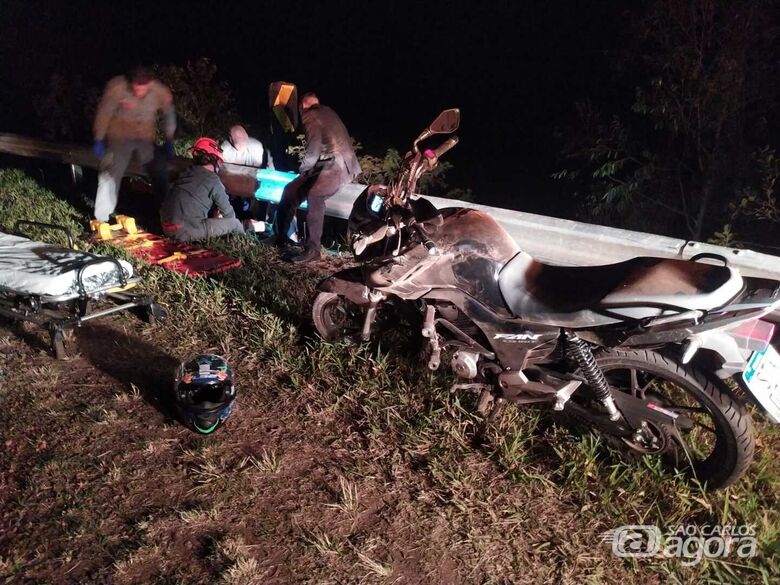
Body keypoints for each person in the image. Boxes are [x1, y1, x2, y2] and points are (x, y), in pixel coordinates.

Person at [274, 92, 361, 263]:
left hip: (337, 165)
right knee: (291, 190)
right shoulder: (327, 111)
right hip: (326, 164)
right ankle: (281, 238)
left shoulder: (311, 115)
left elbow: (313, 148)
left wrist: (303, 169)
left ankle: (313, 249)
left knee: (315, 194)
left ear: (302, 106)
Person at [92, 66, 176, 222]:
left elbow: (169, 114)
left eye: (143, 88)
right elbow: (104, 112)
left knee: (160, 170)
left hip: (145, 139)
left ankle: (166, 216)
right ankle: (102, 217)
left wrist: (169, 139)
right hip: (119, 138)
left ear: (150, 84)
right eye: (136, 87)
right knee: (110, 171)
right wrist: (99, 138)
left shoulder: (159, 91)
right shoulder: (117, 87)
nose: (139, 92)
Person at [159, 138, 244, 242]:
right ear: (214, 160)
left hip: (166, 227)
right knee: (235, 224)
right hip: (185, 232)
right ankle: (244, 240)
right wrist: (227, 223)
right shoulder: (213, 180)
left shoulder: (186, 173)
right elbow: (229, 213)